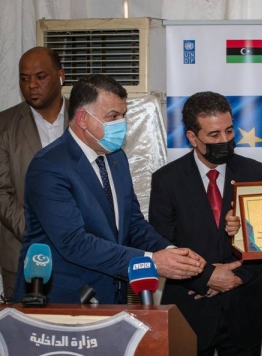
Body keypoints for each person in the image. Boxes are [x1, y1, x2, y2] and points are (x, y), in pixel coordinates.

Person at [14, 74, 205, 304]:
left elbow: (132, 223)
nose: (121, 123)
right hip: (64, 301)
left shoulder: (116, 158)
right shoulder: (49, 166)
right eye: (113, 116)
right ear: (83, 118)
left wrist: (172, 252)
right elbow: (74, 243)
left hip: (111, 298)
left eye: (123, 115)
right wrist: (151, 261)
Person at [149, 91, 262, 356]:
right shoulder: (167, 180)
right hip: (189, 313)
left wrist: (235, 278)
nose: (224, 140)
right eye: (214, 134)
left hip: (243, 311)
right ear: (193, 137)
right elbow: (160, 245)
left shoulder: (256, 173)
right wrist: (206, 279)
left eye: (229, 131)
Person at [0, 47, 67, 296]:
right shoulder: (4, 126)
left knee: (79, 332)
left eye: (40, 77)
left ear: (61, 76)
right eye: (24, 78)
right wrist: (37, 235)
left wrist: (74, 238)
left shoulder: (84, 121)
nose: (31, 85)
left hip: (82, 257)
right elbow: (2, 192)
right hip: (23, 257)